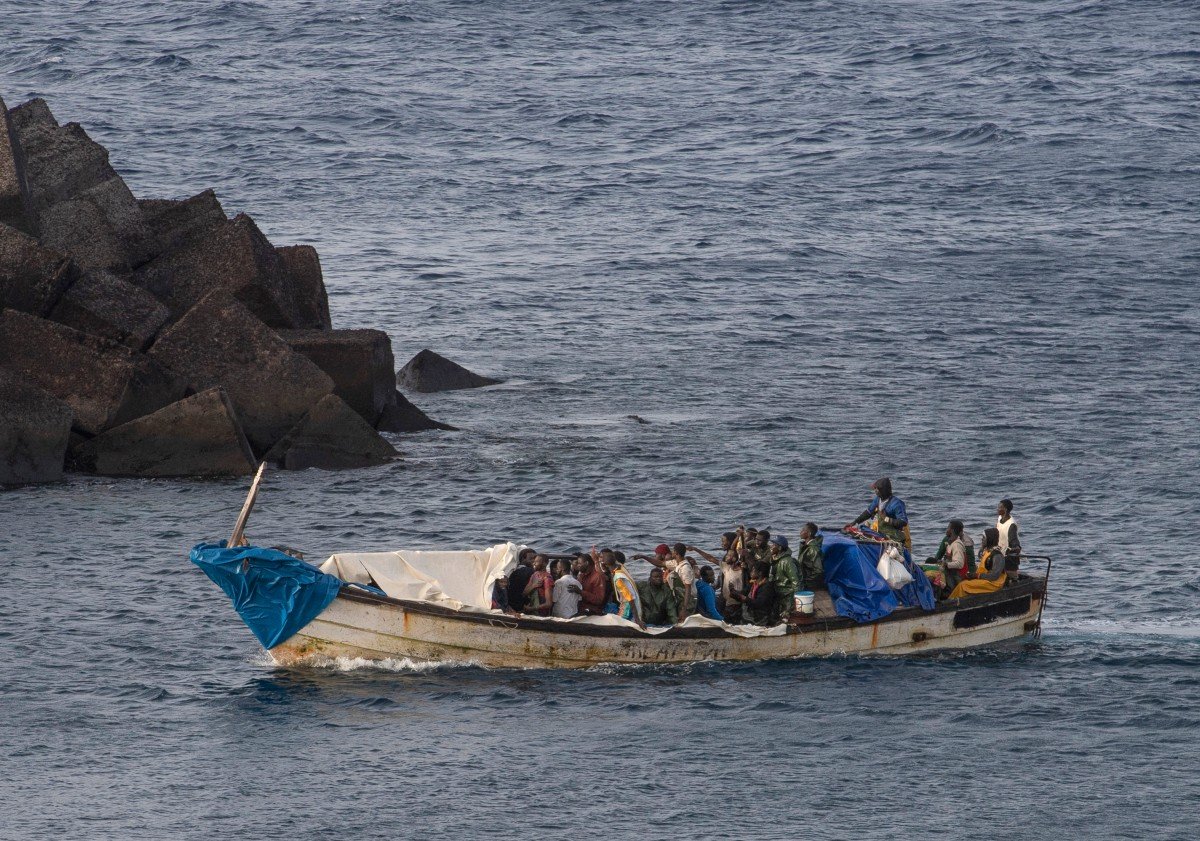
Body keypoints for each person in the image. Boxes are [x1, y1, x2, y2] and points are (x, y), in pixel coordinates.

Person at [689, 533, 743, 618]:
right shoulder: (726, 565)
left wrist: (740, 536)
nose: (721, 543)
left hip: (734, 600)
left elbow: (711, 558)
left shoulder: (739, 567)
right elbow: (711, 559)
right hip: (725, 596)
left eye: (723, 541)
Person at [846, 477, 910, 547]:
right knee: (862, 528)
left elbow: (903, 522)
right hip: (881, 533)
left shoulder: (897, 504)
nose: (875, 491)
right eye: (875, 488)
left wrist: (886, 519)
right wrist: (854, 522)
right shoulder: (877, 500)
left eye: (877, 489)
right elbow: (868, 513)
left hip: (894, 536)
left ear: (883, 490)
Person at [949, 527, 1006, 598]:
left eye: (984, 538)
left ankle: (953, 602)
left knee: (963, 585)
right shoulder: (988, 551)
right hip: (985, 579)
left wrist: (977, 576)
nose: (982, 539)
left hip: (994, 583)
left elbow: (994, 576)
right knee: (963, 581)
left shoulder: (997, 555)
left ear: (990, 539)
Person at [730, 561, 777, 626]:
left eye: (753, 571)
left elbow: (759, 603)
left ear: (760, 573)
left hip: (762, 617)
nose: (751, 573)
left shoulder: (767, 587)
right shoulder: (753, 583)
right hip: (751, 614)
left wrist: (745, 599)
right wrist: (734, 592)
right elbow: (743, 593)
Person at [767, 535, 799, 622]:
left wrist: (794, 603)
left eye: (773, 544)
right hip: (778, 594)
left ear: (780, 548)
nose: (770, 546)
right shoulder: (774, 559)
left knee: (785, 618)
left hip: (788, 596)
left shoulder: (787, 561)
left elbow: (796, 583)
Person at [940, 520, 973, 595]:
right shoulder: (950, 543)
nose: (946, 529)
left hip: (957, 577)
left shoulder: (957, 545)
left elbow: (959, 564)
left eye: (948, 527)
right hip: (952, 574)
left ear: (952, 530)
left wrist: (946, 564)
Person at [610, 552, 642, 626]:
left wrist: (637, 619)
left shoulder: (619, 576)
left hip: (628, 605)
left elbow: (629, 597)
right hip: (627, 603)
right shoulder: (621, 570)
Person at [996, 499, 1021, 579]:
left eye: (1000, 507)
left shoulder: (1011, 525)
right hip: (1000, 553)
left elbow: (1014, 540)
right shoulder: (1000, 518)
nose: (997, 509)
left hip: (1009, 558)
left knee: (1010, 577)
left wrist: (1015, 548)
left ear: (1005, 509)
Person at [507, 548, 536, 612]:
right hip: (521, 605)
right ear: (523, 559)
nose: (534, 561)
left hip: (512, 603)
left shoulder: (514, 570)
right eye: (531, 559)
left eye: (535, 559)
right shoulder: (528, 571)